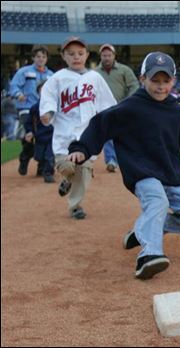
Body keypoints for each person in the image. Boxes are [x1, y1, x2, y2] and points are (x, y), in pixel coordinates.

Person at [68, 52, 180, 279]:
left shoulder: (178, 112)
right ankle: (149, 255)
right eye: (155, 80)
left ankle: (141, 230)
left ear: (173, 81)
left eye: (166, 81)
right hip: (141, 172)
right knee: (157, 201)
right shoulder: (129, 108)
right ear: (143, 79)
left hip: (171, 174)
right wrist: (81, 148)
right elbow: (100, 124)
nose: (160, 86)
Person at [39, 36, 116, 219]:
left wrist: (113, 122)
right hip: (64, 137)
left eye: (80, 53)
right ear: (63, 56)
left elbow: (107, 103)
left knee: (83, 172)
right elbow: (48, 98)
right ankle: (67, 178)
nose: (76, 57)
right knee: (67, 167)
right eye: (71, 54)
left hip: (87, 137)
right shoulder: (56, 79)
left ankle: (75, 207)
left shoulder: (95, 77)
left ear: (87, 55)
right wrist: (48, 113)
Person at [10, 45, 53, 176]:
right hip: (27, 108)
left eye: (43, 57)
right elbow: (14, 85)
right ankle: (25, 158)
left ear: (46, 59)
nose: (41, 59)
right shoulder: (24, 72)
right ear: (33, 57)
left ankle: (42, 166)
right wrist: (18, 94)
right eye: (38, 56)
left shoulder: (51, 75)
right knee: (29, 135)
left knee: (46, 136)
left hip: (45, 110)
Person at [95, 43, 139, 172]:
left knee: (125, 134)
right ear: (100, 56)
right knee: (108, 135)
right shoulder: (95, 73)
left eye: (109, 55)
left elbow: (134, 85)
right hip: (104, 109)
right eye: (104, 55)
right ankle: (111, 160)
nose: (107, 58)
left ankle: (128, 159)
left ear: (114, 56)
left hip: (122, 107)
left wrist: (128, 101)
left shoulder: (124, 70)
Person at [24, 81, 55, 183]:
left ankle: (48, 173)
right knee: (39, 156)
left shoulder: (56, 106)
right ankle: (41, 167)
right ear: (39, 92)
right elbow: (29, 122)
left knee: (49, 155)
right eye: (42, 90)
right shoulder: (35, 108)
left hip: (53, 136)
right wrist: (30, 132)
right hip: (40, 136)